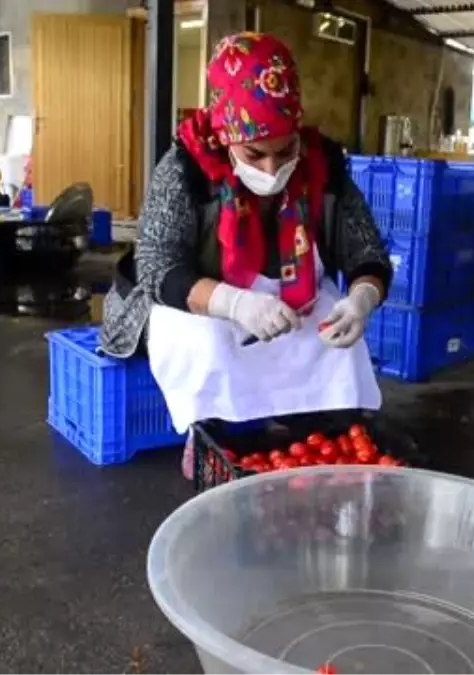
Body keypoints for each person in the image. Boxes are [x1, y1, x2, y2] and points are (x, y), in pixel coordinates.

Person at [98, 32, 391, 476]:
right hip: (194, 298)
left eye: (284, 150)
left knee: (335, 328)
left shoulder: (321, 164)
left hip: (291, 292)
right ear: (225, 134)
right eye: (254, 154)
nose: (272, 169)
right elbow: (158, 270)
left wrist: (362, 300)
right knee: (209, 341)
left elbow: (364, 249)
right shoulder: (186, 169)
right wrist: (236, 304)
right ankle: (210, 434)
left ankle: (319, 428)